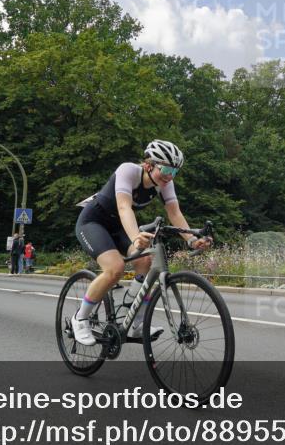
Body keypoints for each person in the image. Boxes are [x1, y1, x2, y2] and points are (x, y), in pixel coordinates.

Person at [72, 140, 212, 345]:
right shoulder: (128, 171)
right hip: (93, 222)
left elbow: (174, 213)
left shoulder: (165, 183)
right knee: (115, 268)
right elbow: (123, 208)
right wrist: (136, 236)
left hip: (119, 226)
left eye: (175, 172)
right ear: (149, 165)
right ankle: (80, 318)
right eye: (165, 169)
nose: (169, 176)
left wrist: (191, 239)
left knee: (146, 261)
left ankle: (134, 319)